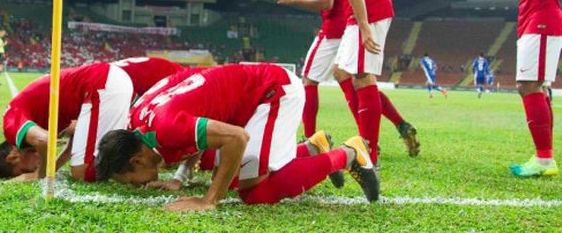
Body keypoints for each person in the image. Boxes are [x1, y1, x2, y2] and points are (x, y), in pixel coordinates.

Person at [95, 64, 378, 212]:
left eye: (130, 180)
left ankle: (349, 153)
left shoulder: (165, 127)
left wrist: (209, 199)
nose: (136, 185)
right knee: (227, 174)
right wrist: (180, 178)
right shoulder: (139, 118)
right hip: (250, 95)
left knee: (255, 193)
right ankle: (312, 148)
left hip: (272, 92)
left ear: (136, 159)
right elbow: (189, 112)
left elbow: (236, 138)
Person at [285, 0, 394, 165]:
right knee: (344, 71)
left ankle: (369, 152)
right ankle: (367, 144)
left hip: (368, 10)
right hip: (364, 10)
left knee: (362, 75)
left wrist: (365, 25)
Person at [274, 0, 419, 157]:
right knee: (357, 80)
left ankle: (310, 141)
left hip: (334, 28)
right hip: (351, 24)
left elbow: (327, 2)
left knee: (309, 79)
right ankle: (398, 126)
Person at [0, 57, 183, 182]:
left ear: (13, 157)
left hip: (101, 85)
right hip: (103, 85)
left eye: (24, 170)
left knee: (82, 173)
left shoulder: (11, 125)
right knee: (85, 165)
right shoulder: (32, 120)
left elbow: (45, 140)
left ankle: (144, 168)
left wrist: (41, 175)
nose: (31, 169)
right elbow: (77, 133)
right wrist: (55, 165)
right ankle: (146, 163)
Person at [482, 0, 562, 177]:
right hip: (529, 20)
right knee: (535, 87)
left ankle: (544, 160)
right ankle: (544, 158)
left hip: (543, 19)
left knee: (528, 85)